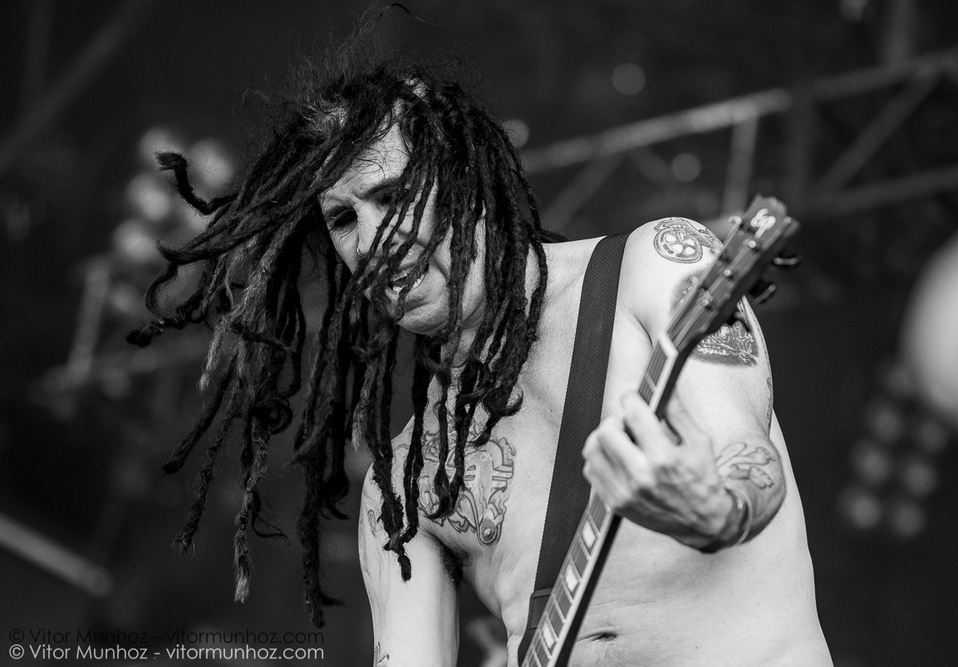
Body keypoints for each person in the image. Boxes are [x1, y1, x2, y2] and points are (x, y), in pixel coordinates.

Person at [133, 49, 832, 666]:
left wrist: (714, 505)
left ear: (463, 175)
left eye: (390, 193)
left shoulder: (653, 267)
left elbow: (748, 453)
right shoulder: (402, 486)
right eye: (344, 218)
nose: (372, 239)